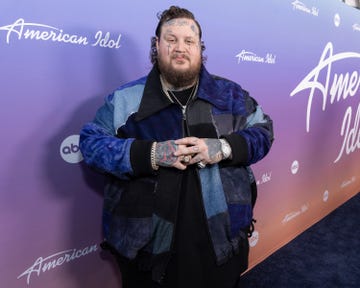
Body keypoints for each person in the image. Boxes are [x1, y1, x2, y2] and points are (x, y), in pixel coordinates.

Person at [79, 5, 274, 288]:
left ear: (200, 48)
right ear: (157, 45)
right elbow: (91, 143)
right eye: (171, 40)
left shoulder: (230, 95)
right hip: (147, 251)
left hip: (221, 243)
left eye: (189, 41)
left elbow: (264, 132)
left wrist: (224, 148)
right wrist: (151, 154)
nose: (180, 47)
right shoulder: (124, 100)